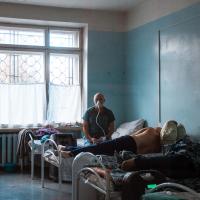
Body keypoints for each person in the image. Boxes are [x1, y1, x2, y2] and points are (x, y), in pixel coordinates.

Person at [59, 126, 162, 158]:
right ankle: (68, 149)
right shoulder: (158, 146)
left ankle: (70, 152)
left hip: (128, 140)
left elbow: (134, 133)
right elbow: (144, 153)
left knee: (98, 148)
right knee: (100, 151)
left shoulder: (151, 130)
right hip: (132, 151)